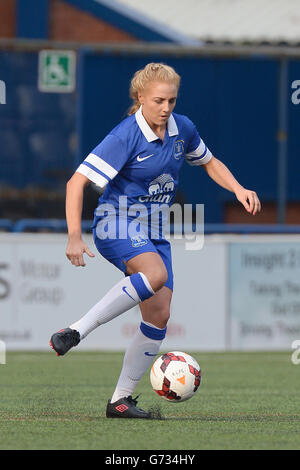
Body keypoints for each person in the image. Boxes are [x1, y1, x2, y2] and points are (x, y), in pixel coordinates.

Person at [49, 63, 261, 419]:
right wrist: (73, 236)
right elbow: (75, 183)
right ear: (141, 98)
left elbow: (209, 162)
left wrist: (238, 188)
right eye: (159, 100)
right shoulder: (125, 136)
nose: (166, 108)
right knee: (155, 275)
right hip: (114, 222)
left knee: (159, 316)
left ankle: (120, 400)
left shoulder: (183, 129)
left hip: (154, 232)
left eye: (172, 100)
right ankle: (76, 331)